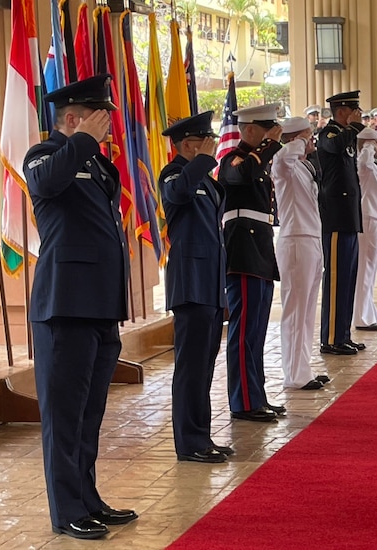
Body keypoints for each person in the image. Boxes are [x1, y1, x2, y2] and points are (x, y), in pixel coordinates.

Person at [23, 74, 137, 539]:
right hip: (64, 306)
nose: (108, 126)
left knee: (90, 415)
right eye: (98, 117)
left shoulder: (97, 164)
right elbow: (49, 185)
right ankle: (66, 509)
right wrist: (82, 141)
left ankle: (87, 498)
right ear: (72, 118)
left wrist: (89, 145)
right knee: (64, 417)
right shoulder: (46, 156)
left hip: (99, 305)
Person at [159, 111, 230, 464]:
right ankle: (188, 442)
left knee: (204, 365)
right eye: (205, 142)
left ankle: (202, 436)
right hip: (191, 284)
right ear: (188, 145)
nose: (213, 146)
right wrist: (201, 161)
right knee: (190, 367)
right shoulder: (174, 174)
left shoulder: (205, 179)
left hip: (211, 283)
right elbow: (180, 193)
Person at [218, 103, 285, 422]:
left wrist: (268, 145)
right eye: (266, 129)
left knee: (256, 330)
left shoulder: (256, 158)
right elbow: (243, 174)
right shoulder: (232, 159)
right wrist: (270, 145)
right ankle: (243, 401)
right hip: (242, 250)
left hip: (258, 248)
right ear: (247, 130)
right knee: (244, 331)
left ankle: (255, 395)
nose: (272, 134)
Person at [271, 117, 331, 390]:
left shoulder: (303, 167)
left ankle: (302, 368)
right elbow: (283, 159)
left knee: (307, 310)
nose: (313, 141)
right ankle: (294, 374)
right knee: (295, 310)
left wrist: (302, 140)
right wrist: (297, 140)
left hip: (310, 239)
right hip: (295, 240)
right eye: (309, 136)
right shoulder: (285, 165)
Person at [317, 90, 367, 356]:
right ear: (341, 111)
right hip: (335, 217)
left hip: (348, 217)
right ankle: (332, 338)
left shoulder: (346, 135)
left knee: (348, 278)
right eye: (353, 110)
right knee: (336, 279)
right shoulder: (329, 134)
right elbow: (334, 147)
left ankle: (343, 334)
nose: (358, 115)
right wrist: (356, 126)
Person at [353, 127, 377, 332]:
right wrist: (366, 146)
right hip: (369, 219)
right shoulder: (364, 164)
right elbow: (363, 161)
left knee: (371, 271)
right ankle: (361, 317)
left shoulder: (374, 165)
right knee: (365, 271)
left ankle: (370, 313)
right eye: (376, 142)